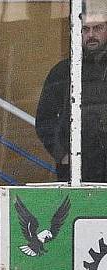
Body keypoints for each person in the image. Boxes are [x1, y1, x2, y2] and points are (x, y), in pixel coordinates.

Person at [35, 11, 107, 182]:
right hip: (76, 169)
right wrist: (62, 154)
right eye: (85, 29)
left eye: (98, 28)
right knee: (79, 209)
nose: (91, 35)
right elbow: (44, 119)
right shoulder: (63, 71)